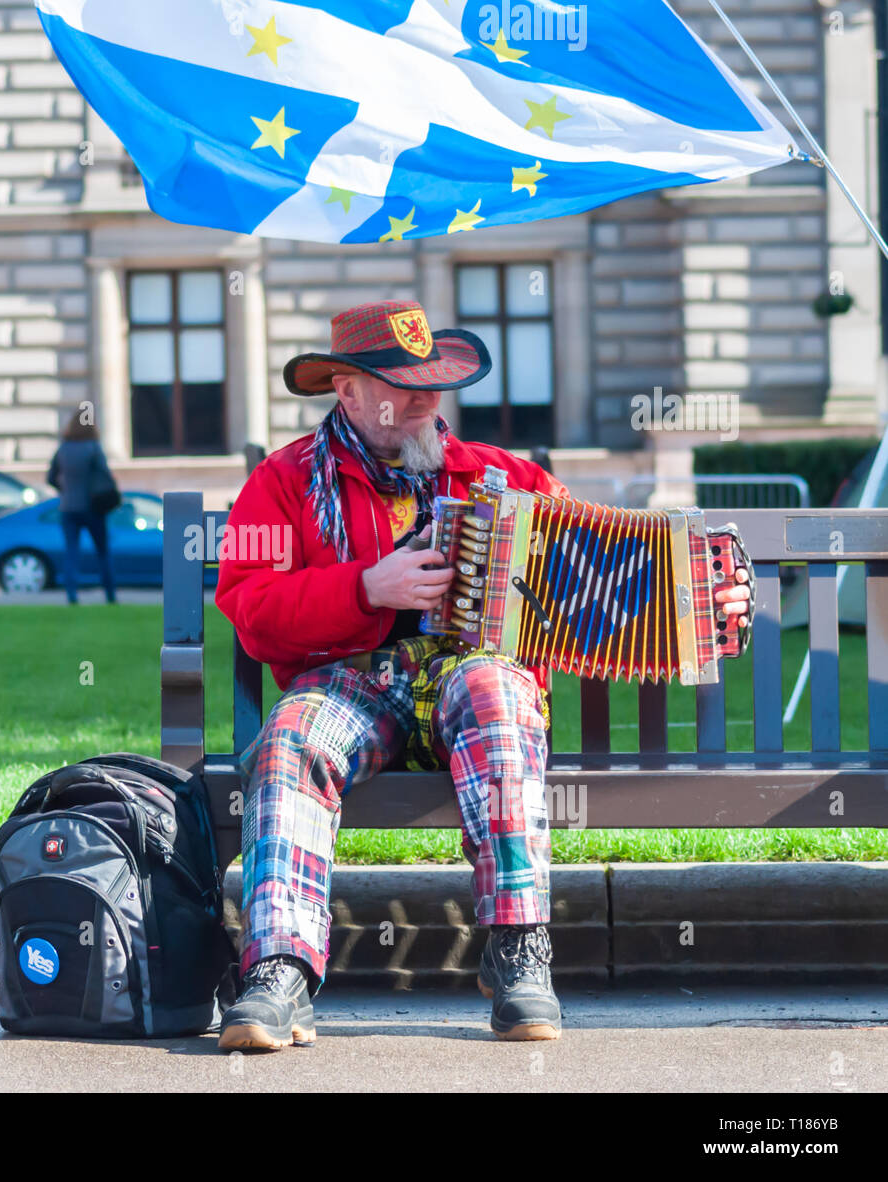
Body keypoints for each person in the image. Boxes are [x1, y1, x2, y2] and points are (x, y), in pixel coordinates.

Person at [213, 300, 754, 1050]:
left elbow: (606, 576)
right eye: (405, 384)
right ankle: (279, 970)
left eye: (433, 381)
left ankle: (520, 955)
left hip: (471, 678)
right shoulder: (282, 483)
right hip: (349, 682)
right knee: (288, 740)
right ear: (350, 394)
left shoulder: (505, 477)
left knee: (497, 693)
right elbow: (252, 607)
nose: (429, 399)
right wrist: (369, 588)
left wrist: (704, 594)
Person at [46, 412, 118, 604]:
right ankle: (110, 595)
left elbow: (51, 477)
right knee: (102, 552)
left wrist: (65, 489)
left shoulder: (63, 449)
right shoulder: (93, 448)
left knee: (71, 552)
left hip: (68, 508)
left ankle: (71, 595)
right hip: (93, 507)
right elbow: (104, 474)